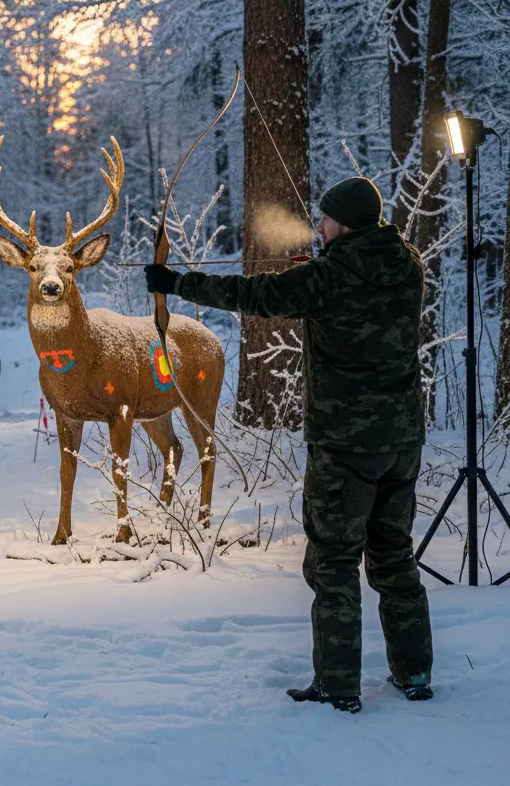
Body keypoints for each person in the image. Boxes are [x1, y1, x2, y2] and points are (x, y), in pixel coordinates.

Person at [145, 176, 433, 714]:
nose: (318, 225)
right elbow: (359, 273)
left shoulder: (326, 278)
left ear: (343, 223)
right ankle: (414, 672)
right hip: (402, 441)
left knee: (334, 562)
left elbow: (254, 295)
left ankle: (340, 685)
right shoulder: (408, 264)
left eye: (326, 219)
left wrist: (174, 282)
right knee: (393, 557)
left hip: (345, 446)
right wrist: (319, 267)